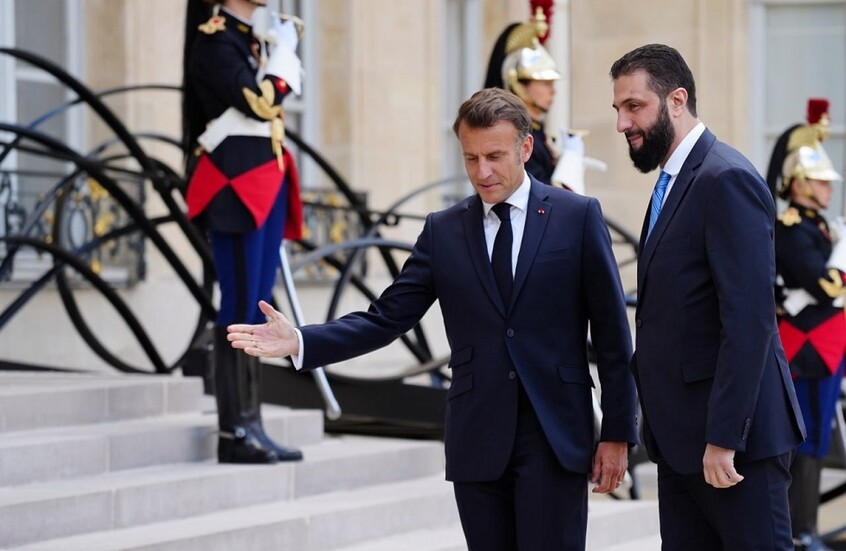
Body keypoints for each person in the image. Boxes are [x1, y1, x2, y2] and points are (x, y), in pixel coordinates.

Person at [228, 87, 638, 550]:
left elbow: (612, 336)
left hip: (555, 435)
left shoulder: (577, 216)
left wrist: (618, 434)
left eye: (495, 157)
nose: (482, 172)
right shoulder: (443, 231)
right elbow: (386, 318)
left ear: (526, 148)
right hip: (477, 437)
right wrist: (301, 341)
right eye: (470, 158)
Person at [610, 43, 806, 550]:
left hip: (733, 449)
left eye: (634, 106)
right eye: (618, 109)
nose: (622, 123)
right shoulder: (672, 182)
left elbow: (750, 321)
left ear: (676, 100)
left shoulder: (726, 177)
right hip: (680, 445)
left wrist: (723, 438)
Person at [182, 0, 304, 464]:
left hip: (263, 181)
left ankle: (253, 424)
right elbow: (260, 102)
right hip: (233, 186)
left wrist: (277, 51)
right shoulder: (215, 41)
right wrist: (283, 59)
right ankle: (234, 432)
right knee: (238, 305)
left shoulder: (251, 40)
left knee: (258, 303)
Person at [768, 98, 846, 551]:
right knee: (805, 434)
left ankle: (806, 528)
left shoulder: (816, 226)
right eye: (820, 181)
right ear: (799, 183)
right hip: (806, 346)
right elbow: (826, 286)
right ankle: (799, 530)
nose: (828, 188)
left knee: (817, 435)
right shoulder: (792, 228)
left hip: (824, 344)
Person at [483, 8, 587, 193]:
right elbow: (545, 195)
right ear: (518, 84)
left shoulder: (537, 132)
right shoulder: (515, 136)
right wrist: (570, 163)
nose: (553, 91)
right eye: (545, 83)